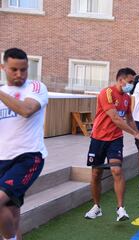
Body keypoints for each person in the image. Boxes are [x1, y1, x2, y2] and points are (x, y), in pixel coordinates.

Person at [0, 48, 48, 240]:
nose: (20, 75)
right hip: (2, 158)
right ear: (3, 67)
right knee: (11, 215)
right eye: (14, 70)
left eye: (24, 69)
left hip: (28, 157)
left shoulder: (36, 87)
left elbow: (26, 110)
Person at [84, 68, 139, 221]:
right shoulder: (107, 93)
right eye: (130, 82)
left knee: (117, 170)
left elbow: (129, 119)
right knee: (96, 174)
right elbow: (115, 118)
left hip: (115, 139)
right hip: (98, 138)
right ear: (121, 80)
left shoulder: (127, 98)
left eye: (133, 82)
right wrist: (134, 133)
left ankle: (121, 209)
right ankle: (97, 207)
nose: (132, 85)